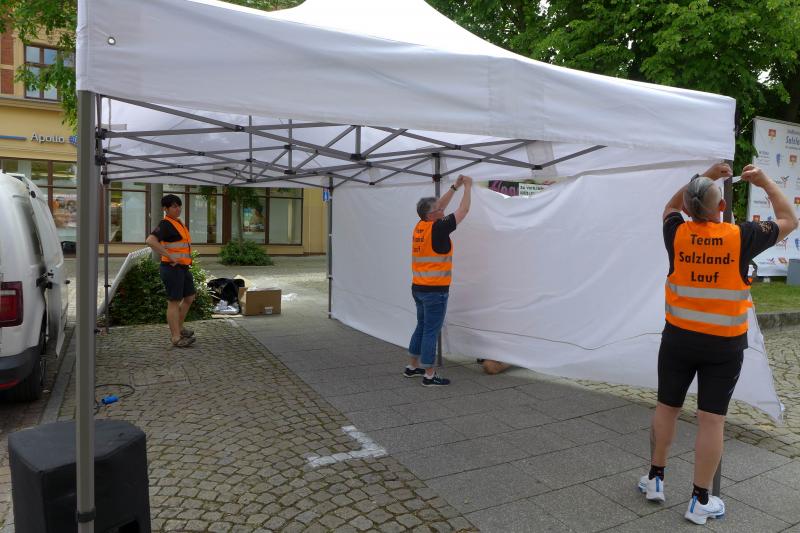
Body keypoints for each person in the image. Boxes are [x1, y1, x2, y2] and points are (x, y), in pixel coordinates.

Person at [639, 163, 798, 524]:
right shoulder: (740, 236)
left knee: (666, 408)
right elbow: (790, 219)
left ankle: (655, 479)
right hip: (723, 347)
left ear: (689, 208)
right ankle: (700, 500)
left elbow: (670, 207)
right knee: (712, 421)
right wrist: (763, 181)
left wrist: (707, 175)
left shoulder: (677, 233)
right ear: (722, 206)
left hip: (678, 340)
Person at [406, 174, 472, 386]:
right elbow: (463, 211)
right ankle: (429, 374)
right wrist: (468, 187)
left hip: (418, 288)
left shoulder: (421, 225)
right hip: (435, 291)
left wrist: (455, 186)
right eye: (439, 210)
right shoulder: (439, 227)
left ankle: (412, 366)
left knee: (421, 326)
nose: (443, 210)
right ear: (432, 215)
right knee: (430, 331)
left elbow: (438, 206)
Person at [145, 194, 197, 348]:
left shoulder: (178, 222)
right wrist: (169, 255)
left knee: (189, 297)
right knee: (174, 301)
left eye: (179, 206)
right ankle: (176, 338)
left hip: (183, 268)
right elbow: (150, 240)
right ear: (165, 209)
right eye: (174, 206)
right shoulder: (166, 224)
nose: (178, 209)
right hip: (171, 268)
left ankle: (179, 328)